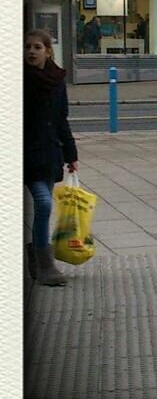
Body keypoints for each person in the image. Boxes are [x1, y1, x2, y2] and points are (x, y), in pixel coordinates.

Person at [23, 29, 79, 286]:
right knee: (44, 204)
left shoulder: (56, 81)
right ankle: (44, 263)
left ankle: (39, 260)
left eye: (37, 47)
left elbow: (61, 120)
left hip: (48, 153)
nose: (31, 52)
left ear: (48, 51)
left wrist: (71, 154)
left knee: (42, 209)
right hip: (25, 153)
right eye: (28, 47)